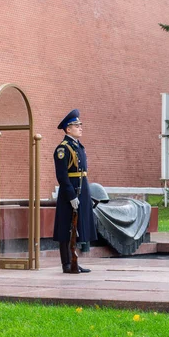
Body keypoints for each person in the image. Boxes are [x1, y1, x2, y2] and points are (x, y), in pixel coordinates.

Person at [53, 109, 97, 273]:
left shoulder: (78, 147)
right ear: (68, 129)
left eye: (80, 125)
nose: (80, 127)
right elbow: (62, 176)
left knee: (77, 227)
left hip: (81, 190)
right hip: (70, 193)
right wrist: (71, 196)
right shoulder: (63, 149)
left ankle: (74, 262)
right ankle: (67, 263)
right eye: (77, 125)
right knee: (66, 228)